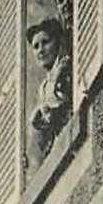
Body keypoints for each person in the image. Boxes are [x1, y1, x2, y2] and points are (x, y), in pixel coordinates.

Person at [26, 15, 71, 160]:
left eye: (45, 42)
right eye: (36, 46)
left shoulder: (65, 67)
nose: (41, 50)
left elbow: (61, 103)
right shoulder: (44, 86)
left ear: (56, 42)